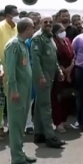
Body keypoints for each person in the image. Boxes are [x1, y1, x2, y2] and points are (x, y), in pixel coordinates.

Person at [5, 18, 37, 164]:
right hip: (17, 92)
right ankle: (17, 159)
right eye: (32, 27)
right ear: (27, 29)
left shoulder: (22, 44)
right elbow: (10, 71)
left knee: (21, 124)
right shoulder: (14, 45)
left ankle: (20, 152)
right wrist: (14, 90)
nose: (34, 29)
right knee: (16, 125)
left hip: (24, 91)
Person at [31, 15, 66, 148]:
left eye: (50, 22)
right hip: (42, 76)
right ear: (40, 23)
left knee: (41, 104)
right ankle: (50, 137)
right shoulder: (37, 38)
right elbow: (35, 60)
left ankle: (39, 133)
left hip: (50, 75)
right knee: (46, 106)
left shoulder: (50, 37)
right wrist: (40, 76)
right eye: (45, 22)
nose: (48, 24)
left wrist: (59, 71)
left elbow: (53, 57)